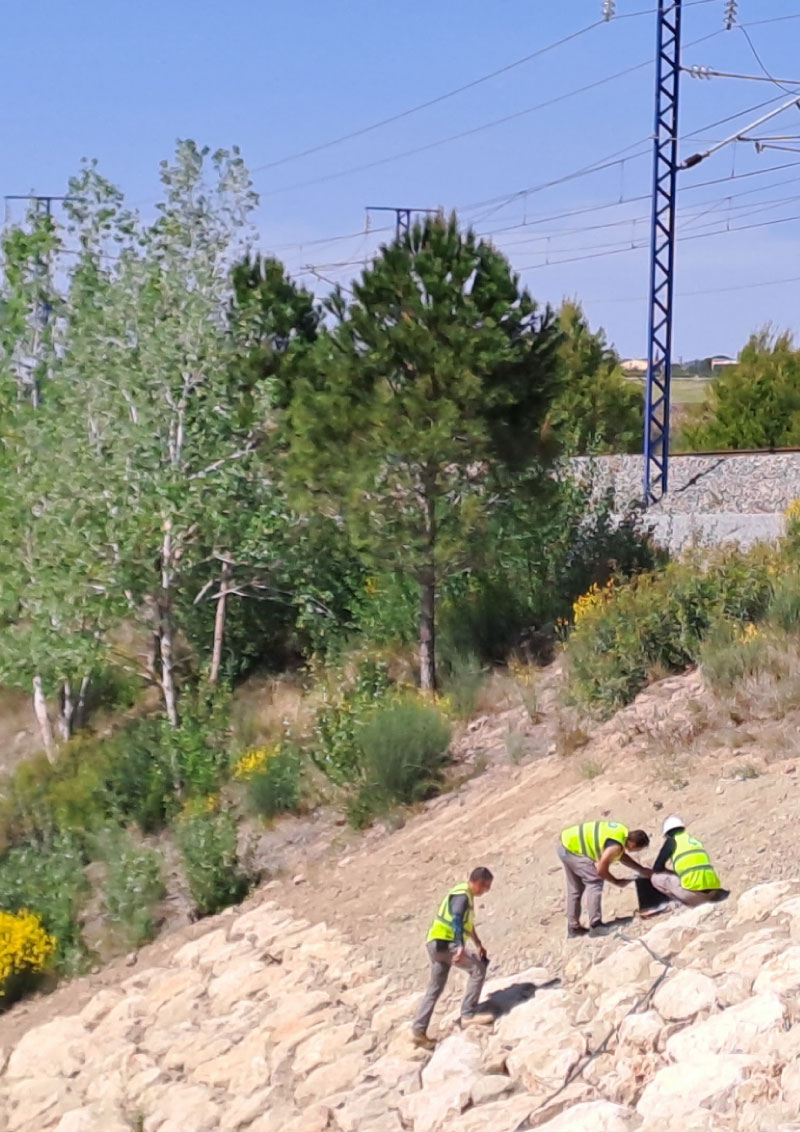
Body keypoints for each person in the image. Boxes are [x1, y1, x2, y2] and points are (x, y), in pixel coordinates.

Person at [411, 867, 494, 1050]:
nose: (486, 891)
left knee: (435, 988)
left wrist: (478, 943)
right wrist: (460, 946)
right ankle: (468, 1015)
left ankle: (419, 1030)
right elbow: (456, 918)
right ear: (479, 883)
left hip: (435, 944)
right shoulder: (462, 896)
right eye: (486, 887)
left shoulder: (463, 894)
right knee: (478, 968)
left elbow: (467, 924)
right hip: (445, 943)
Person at [558, 820, 651, 937]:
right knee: (595, 882)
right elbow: (601, 870)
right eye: (638, 849)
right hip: (573, 850)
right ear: (633, 845)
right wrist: (616, 881)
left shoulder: (622, 833)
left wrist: (641, 869)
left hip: (566, 844)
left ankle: (573, 928)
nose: (637, 852)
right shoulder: (615, 846)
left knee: (576, 888)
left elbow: (621, 856)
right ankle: (596, 925)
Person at [650, 815, 729, 908]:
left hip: (695, 896)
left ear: (667, 834)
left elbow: (657, 868)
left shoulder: (671, 841)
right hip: (714, 891)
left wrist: (673, 873)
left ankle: (682, 903)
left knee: (655, 878)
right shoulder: (694, 840)